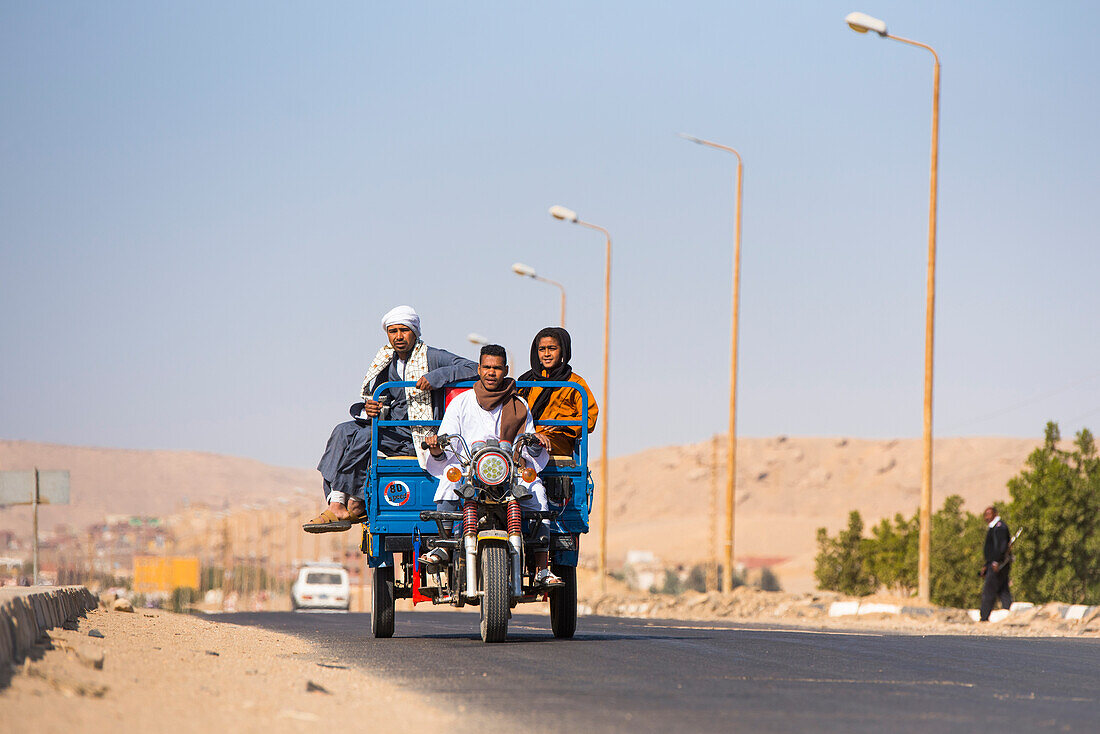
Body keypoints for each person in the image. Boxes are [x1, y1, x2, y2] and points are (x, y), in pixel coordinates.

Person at [303, 305, 478, 533]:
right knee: (342, 431)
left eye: (403, 330)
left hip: (416, 432)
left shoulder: (432, 356)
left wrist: (437, 376)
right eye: (392, 331)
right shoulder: (387, 360)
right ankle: (336, 502)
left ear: (415, 332)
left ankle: (353, 502)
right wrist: (371, 406)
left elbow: (472, 367)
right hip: (391, 427)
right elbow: (379, 397)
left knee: (366, 436)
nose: (398, 336)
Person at [421, 344, 563, 587]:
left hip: (509, 470)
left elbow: (527, 445)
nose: (491, 372)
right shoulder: (461, 402)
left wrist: (537, 442)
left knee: (537, 491)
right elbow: (446, 442)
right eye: (487, 367)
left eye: (497, 368)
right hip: (469, 469)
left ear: (506, 370)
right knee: (450, 476)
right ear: (479, 369)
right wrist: (435, 445)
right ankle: (443, 547)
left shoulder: (518, 405)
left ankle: (541, 568)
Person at [516, 327, 599, 457]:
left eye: (552, 348)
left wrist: (562, 424)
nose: (546, 354)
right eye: (542, 349)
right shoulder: (527, 382)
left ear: (563, 352)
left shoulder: (575, 383)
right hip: (527, 436)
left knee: (535, 446)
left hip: (558, 440)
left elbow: (589, 418)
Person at [979, 506, 1014, 621]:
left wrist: (996, 562)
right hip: (993, 564)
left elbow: (1002, 546)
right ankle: (1009, 614)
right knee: (1003, 590)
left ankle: (984, 617)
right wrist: (986, 564)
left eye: (989, 514)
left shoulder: (1000, 527)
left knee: (989, 591)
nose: (987, 517)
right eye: (985, 515)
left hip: (998, 565)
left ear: (995, 514)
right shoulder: (994, 528)